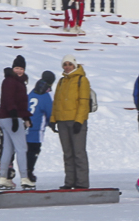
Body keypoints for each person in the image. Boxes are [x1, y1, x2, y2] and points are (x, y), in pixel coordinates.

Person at [53, 58, 92, 190]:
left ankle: (82, 182)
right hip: (62, 121)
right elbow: (56, 101)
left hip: (76, 121)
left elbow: (84, 101)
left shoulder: (82, 80)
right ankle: (70, 181)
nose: (68, 67)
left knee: (78, 152)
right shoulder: (62, 81)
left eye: (70, 64)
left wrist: (79, 120)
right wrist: (53, 119)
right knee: (67, 153)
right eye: (65, 64)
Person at [0, 56, 31, 189]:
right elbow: (9, 99)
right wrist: (15, 116)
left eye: (21, 68)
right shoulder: (10, 81)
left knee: (8, 149)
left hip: (8, 117)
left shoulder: (19, 82)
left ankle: (3, 177)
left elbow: (21, 103)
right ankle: (25, 178)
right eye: (17, 68)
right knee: (22, 148)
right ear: (12, 68)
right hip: (10, 117)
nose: (19, 71)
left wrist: (26, 117)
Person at [26, 70, 56, 188]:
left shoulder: (33, 91)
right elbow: (49, 112)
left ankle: (25, 172)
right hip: (37, 129)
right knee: (33, 151)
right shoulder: (46, 95)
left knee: (26, 150)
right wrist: (52, 123)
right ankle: (29, 173)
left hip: (26, 126)